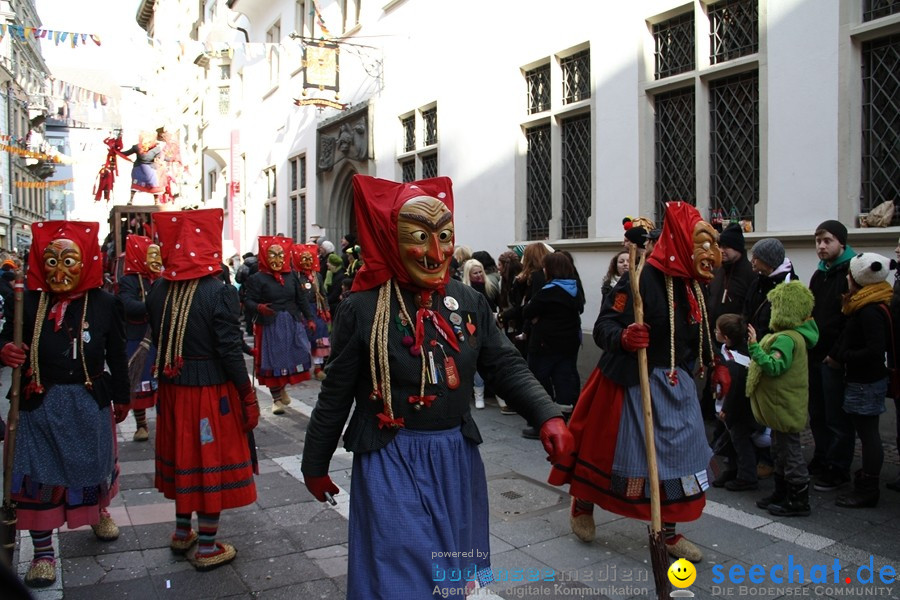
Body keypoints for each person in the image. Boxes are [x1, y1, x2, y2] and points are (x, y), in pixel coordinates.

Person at [300, 175, 573, 599]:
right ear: (392, 240)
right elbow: (335, 394)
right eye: (418, 238)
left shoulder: (468, 301)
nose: (435, 252)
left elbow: (504, 364)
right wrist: (314, 463)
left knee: (447, 572)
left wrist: (546, 414)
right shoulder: (363, 307)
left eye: (443, 236)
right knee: (403, 572)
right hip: (391, 456)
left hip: (454, 457)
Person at [552, 201, 722, 563]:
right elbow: (603, 327)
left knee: (680, 458)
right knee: (615, 456)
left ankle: (669, 533)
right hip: (631, 382)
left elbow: (698, 331)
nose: (707, 254)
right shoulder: (640, 278)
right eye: (700, 245)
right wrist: (625, 336)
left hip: (677, 385)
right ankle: (583, 503)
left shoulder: (694, 283)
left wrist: (715, 360)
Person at [0, 221, 130, 588]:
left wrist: (122, 396)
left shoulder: (105, 303)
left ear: (85, 262)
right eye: (51, 261)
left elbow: (117, 356)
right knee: (37, 477)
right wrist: (5, 350)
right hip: (38, 402)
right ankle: (43, 552)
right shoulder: (27, 300)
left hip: (87, 400)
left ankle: (98, 510)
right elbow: (5, 338)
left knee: (92, 465)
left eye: (68, 260)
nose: (60, 271)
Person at [146, 207, 259, 571]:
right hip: (209, 392)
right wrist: (246, 392)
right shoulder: (218, 292)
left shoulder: (159, 289)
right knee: (209, 460)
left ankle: (182, 532)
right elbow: (228, 349)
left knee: (183, 457)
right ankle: (207, 545)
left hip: (173, 390)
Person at [748, 281, 818, 517]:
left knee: (790, 452)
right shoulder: (793, 336)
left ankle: (798, 499)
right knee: (780, 449)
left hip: (784, 405)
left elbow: (775, 366)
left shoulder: (786, 339)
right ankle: (782, 492)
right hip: (783, 404)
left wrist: (755, 348)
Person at [833, 253, 894, 508]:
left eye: (850, 274)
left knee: (868, 435)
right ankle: (866, 480)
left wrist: (844, 356)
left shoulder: (869, 310)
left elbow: (874, 349)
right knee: (866, 432)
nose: (847, 278)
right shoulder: (864, 303)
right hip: (862, 379)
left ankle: (868, 487)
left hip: (865, 381)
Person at [807, 220, 857, 493]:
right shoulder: (819, 274)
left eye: (827, 240)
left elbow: (850, 320)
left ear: (841, 243)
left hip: (834, 358)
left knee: (836, 416)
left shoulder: (852, 271)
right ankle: (822, 456)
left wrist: (836, 354)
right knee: (817, 412)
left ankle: (838, 468)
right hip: (815, 353)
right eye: (818, 241)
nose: (821, 246)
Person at [242, 236, 316, 414]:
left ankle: (283, 388)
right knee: (273, 360)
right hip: (270, 325)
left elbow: (301, 299)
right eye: (272, 255)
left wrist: (310, 318)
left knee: (295, 355)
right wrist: (258, 307)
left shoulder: (291, 276)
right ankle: (276, 398)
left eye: (280, 255)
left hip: (291, 322)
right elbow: (247, 300)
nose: (276, 260)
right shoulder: (257, 278)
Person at [521, 252, 584, 429]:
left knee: (538, 379)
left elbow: (527, 311)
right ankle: (562, 416)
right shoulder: (575, 288)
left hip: (544, 345)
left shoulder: (548, 291)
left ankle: (544, 418)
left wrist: (536, 315)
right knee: (563, 379)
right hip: (569, 344)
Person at [117, 234, 163, 442]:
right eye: (150, 255)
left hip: (161, 336)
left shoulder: (163, 279)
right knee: (139, 380)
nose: (156, 260)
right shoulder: (129, 281)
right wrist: (152, 306)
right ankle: (141, 424)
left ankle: (166, 420)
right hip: (139, 337)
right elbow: (127, 304)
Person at [709, 313, 759, 491]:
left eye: (717, 330)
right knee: (730, 440)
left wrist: (726, 409)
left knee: (740, 441)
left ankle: (747, 476)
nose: (714, 332)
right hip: (728, 407)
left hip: (737, 410)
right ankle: (732, 469)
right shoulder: (727, 351)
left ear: (727, 337)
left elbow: (737, 389)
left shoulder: (737, 361)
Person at [743, 238, 796, 340]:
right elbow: (746, 312)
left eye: (756, 257)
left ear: (768, 261)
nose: (751, 261)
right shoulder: (757, 283)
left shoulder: (788, 286)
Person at [293, 243, 332, 380]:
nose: (307, 262)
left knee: (319, 339)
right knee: (302, 339)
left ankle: (318, 368)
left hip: (317, 310)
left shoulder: (318, 276)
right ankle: (302, 368)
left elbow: (323, 293)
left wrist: (326, 309)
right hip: (301, 311)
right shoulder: (296, 277)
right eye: (304, 259)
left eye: (310, 259)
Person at [462, 258, 497, 409]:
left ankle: (498, 394)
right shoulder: (465, 290)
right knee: (475, 362)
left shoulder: (490, 287)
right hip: (472, 328)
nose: (478, 275)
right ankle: (479, 395)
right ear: (468, 275)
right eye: (474, 273)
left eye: (480, 271)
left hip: (490, 327)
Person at [121, 131, 163, 203]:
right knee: (135, 184)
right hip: (139, 168)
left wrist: (159, 161)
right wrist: (115, 151)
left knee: (154, 184)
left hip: (150, 169)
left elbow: (159, 158)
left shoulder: (157, 149)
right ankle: (131, 200)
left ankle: (156, 201)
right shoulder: (137, 147)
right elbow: (126, 153)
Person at [324, 252, 347, 317]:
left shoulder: (340, 276)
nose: (327, 264)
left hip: (335, 306)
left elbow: (335, 293)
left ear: (334, 264)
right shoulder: (331, 274)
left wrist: (325, 302)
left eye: (329, 262)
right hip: (332, 304)